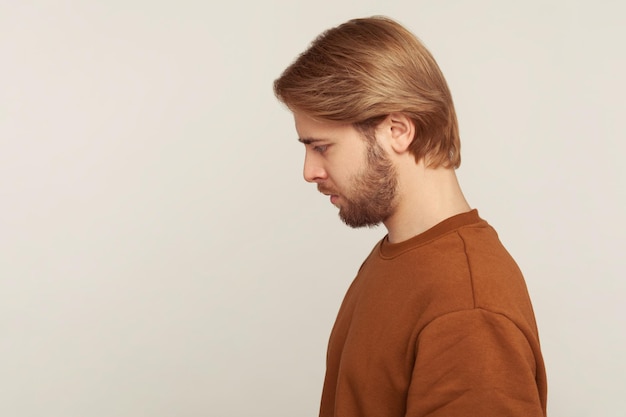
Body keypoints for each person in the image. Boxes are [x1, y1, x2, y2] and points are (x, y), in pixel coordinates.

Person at [273, 16, 547, 417]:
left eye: (322, 147)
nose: (309, 171)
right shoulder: (399, 255)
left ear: (398, 130)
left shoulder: (468, 311)